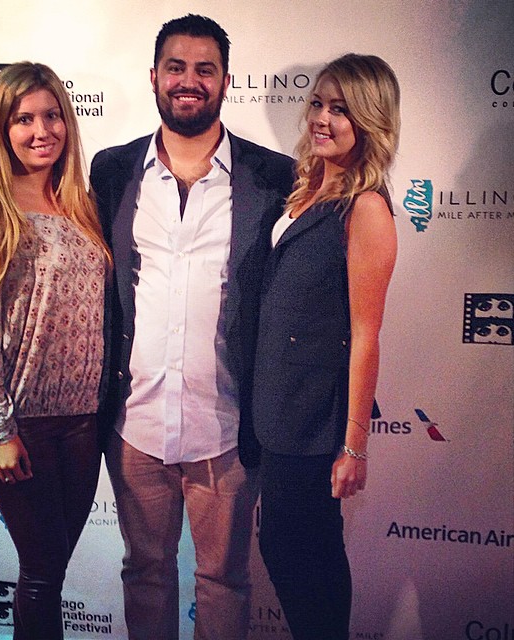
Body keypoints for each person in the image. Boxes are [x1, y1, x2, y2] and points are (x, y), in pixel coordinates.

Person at [90, 14, 295, 640]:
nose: (189, 80)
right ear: (153, 77)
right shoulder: (110, 170)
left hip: (228, 429)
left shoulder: (274, 176)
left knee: (224, 581)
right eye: (176, 67)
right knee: (145, 572)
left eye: (205, 69)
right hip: (136, 426)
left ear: (226, 81)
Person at [0, 61, 111, 640]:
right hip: (20, 427)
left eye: (52, 116)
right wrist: (0, 430)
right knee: (42, 573)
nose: (41, 130)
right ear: (1, 129)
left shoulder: (82, 206)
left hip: (82, 423)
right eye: (24, 119)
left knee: (53, 570)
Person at [252, 53, 400, 640]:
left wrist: (354, 448)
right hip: (278, 413)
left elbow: (366, 335)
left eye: (341, 109)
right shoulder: (308, 188)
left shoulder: (365, 208)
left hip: (314, 423)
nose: (322, 118)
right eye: (317, 103)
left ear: (370, 121)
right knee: (293, 554)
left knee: (302, 561)